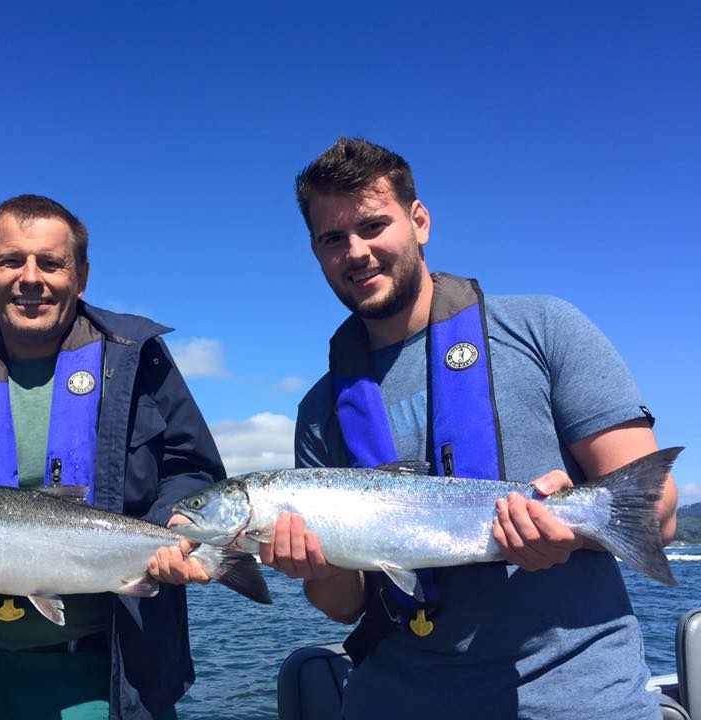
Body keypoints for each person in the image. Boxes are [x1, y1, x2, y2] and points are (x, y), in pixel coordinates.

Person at [262, 138, 679, 719]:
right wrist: (318, 566)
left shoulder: (542, 328)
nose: (356, 252)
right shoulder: (319, 408)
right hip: (391, 701)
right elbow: (343, 606)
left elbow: (654, 513)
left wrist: (570, 529)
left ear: (419, 221)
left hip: (575, 700)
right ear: (316, 251)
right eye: (333, 239)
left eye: (373, 225)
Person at [0, 194, 222, 720]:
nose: (31, 278)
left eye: (51, 262)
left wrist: (172, 529)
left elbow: (192, 467)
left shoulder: (136, 358)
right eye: (11, 260)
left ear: (81, 275)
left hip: (117, 676)